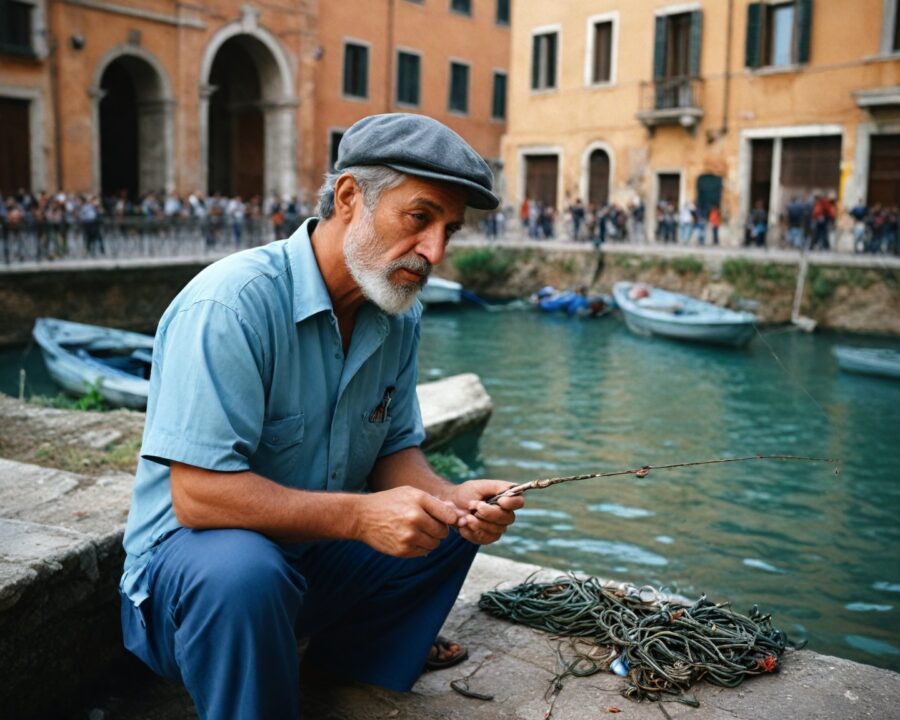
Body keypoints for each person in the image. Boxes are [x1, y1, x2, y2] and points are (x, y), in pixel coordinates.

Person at [119, 113, 524, 720]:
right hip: (193, 587)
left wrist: (452, 500)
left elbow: (394, 450)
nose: (435, 252)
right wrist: (360, 517)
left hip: (304, 565)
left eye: (450, 230)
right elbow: (198, 497)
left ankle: (348, 670)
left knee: (446, 529)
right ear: (349, 197)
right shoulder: (230, 305)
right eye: (419, 218)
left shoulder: (398, 313)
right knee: (244, 573)